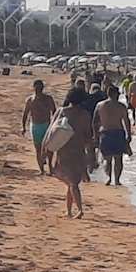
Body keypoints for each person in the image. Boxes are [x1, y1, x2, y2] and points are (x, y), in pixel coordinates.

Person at [52, 89, 96, 218]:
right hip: (78, 150)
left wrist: (46, 150)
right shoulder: (85, 115)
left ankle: (80, 210)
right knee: (72, 181)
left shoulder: (62, 111)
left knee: (72, 182)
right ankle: (69, 211)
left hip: (63, 149)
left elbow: (51, 131)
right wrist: (91, 155)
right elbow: (88, 136)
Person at [95, 84, 132, 185]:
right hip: (118, 133)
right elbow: (126, 121)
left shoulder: (100, 105)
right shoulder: (121, 106)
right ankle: (117, 180)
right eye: (118, 94)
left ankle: (109, 177)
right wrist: (128, 134)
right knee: (118, 158)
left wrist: (95, 135)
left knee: (107, 159)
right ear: (114, 94)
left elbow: (95, 122)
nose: (119, 95)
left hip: (105, 133)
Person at [21, 79, 57, 173]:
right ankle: (42, 170)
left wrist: (55, 124)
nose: (38, 90)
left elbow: (54, 112)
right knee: (38, 148)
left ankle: (50, 167)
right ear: (34, 88)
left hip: (47, 125)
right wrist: (23, 127)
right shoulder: (30, 100)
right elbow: (25, 114)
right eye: (36, 88)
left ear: (42, 88)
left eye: (40, 88)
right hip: (35, 126)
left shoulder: (48, 99)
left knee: (49, 148)